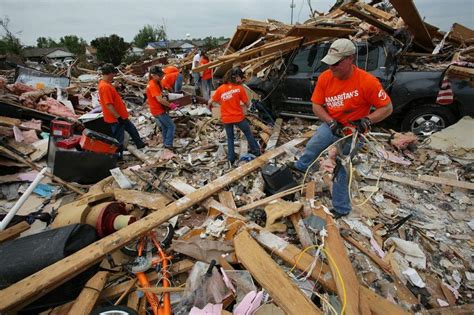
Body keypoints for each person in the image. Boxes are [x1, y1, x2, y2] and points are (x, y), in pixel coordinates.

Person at [289, 38, 393, 218]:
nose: (332, 67)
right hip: (333, 124)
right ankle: (301, 167)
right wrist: (330, 122)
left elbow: (387, 108)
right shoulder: (325, 77)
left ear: (350, 59)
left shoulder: (367, 81)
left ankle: (341, 208)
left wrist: (367, 120)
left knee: (341, 168)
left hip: (353, 132)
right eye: (329, 63)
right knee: (314, 145)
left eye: (336, 64)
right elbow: (316, 106)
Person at [209, 67, 261, 165]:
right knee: (248, 133)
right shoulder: (239, 89)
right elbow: (247, 103)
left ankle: (231, 159)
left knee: (230, 138)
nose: (241, 80)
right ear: (236, 77)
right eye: (240, 77)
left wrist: (218, 105)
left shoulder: (221, 88)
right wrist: (251, 107)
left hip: (226, 119)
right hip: (238, 117)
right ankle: (256, 152)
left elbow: (211, 101)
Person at [97, 63, 146, 156]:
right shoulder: (105, 87)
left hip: (121, 115)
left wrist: (117, 87)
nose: (114, 75)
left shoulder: (106, 84)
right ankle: (117, 155)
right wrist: (118, 117)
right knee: (119, 137)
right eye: (113, 74)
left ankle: (140, 144)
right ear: (109, 73)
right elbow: (109, 105)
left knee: (132, 129)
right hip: (116, 118)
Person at [146, 66, 177, 150]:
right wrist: (170, 105)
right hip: (158, 110)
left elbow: (161, 95)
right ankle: (168, 145)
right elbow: (159, 99)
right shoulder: (152, 85)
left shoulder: (157, 82)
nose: (161, 77)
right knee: (171, 126)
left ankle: (165, 143)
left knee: (165, 127)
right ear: (153, 75)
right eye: (159, 76)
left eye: (162, 75)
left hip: (158, 109)